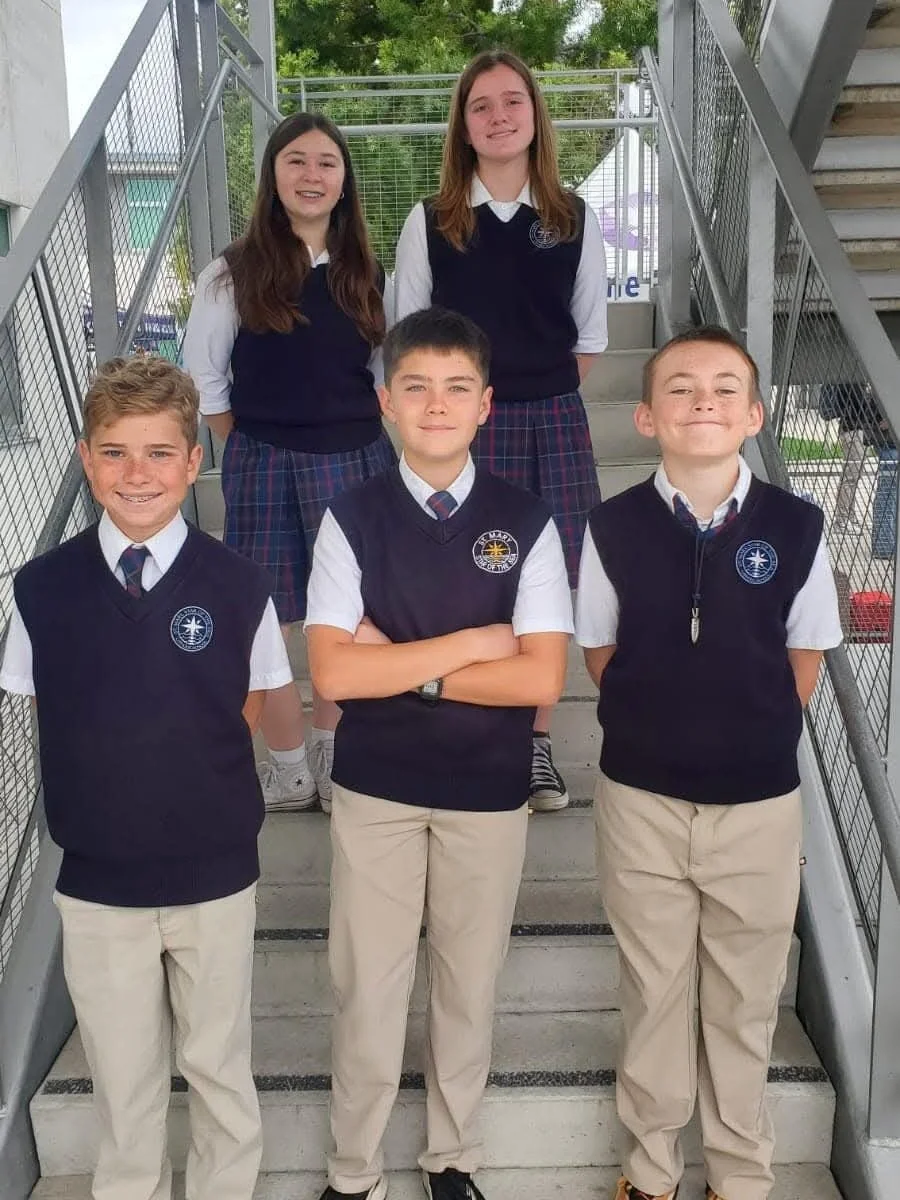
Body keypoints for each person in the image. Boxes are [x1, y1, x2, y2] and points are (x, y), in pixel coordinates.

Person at [0, 355, 294, 1200]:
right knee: (123, 1081)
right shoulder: (41, 589)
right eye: (116, 453)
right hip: (97, 889)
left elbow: (247, 704)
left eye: (160, 453)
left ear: (194, 460)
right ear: (87, 460)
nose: (138, 475)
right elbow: (44, 705)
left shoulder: (239, 587)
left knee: (218, 1068)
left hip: (214, 878)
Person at [305, 306, 573, 1200]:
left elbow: (539, 680)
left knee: (466, 985)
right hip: (376, 790)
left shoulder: (527, 520)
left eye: (457, 387)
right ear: (385, 401)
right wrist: (470, 646)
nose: (435, 404)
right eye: (415, 386)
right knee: (368, 990)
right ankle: (354, 1172)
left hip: (486, 793)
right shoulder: (351, 518)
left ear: (487, 404)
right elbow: (335, 675)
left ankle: (453, 1160)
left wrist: (401, 667)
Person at [575, 327, 843, 1200]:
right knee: (653, 992)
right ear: (648, 416)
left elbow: (803, 658)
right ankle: (650, 1171)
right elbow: (601, 653)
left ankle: (740, 1175)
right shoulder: (610, 527)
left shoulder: (798, 529)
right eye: (682, 389)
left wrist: (742, 730)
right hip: (642, 799)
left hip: (757, 807)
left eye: (726, 389)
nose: (704, 402)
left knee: (743, 1000)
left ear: (755, 415)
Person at [394, 49, 608, 812]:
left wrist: (530, 400)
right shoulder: (431, 222)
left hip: (553, 419)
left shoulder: (573, 217)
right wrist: (466, 412)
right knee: (465, 579)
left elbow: (588, 340)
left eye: (512, 101)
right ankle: (466, 731)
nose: (498, 116)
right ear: (463, 124)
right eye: (480, 105)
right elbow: (407, 338)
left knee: (547, 578)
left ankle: (534, 746)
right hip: (464, 427)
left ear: (534, 114)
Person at [183, 111, 394, 816]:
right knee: (265, 617)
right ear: (273, 175)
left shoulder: (367, 269)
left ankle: (335, 757)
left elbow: (378, 368)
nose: (311, 175)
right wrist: (252, 446)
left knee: (343, 612)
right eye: (296, 161)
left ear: (344, 181)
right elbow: (207, 381)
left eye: (326, 163)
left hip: (357, 459)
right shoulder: (231, 272)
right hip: (263, 460)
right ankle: (287, 765)